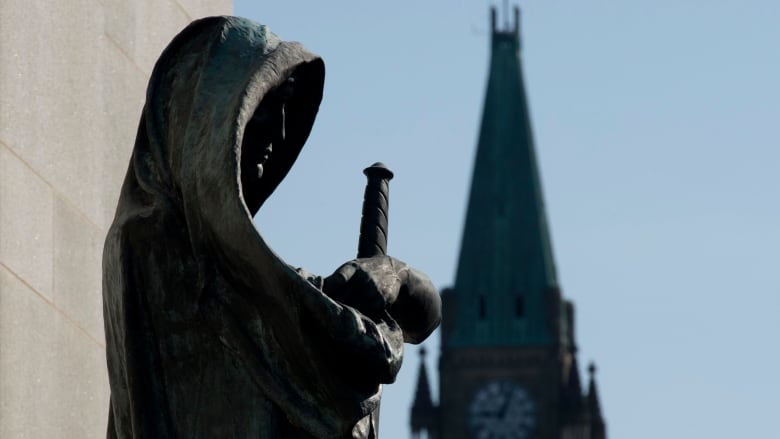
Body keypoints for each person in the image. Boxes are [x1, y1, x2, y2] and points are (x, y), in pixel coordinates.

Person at [103, 16, 441, 439]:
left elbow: (425, 315)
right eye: (266, 104)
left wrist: (393, 276)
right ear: (211, 111)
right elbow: (342, 347)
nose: (279, 129)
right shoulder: (155, 241)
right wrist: (358, 333)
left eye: (287, 108)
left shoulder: (248, 282)